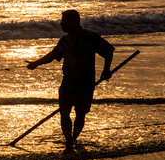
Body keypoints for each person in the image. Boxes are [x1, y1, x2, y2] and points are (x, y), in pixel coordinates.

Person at [27, 10, 114, 147]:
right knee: (64, 113)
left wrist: (106, 70)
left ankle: (73, 140)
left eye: (63, 21)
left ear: (73, 22)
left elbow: (108, 51)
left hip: (85, 84)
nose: (61, 24)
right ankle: (69, 140)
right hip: (67, 84)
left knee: (80, 113)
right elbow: (52, 56)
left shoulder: (90, 37)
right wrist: (35, 64)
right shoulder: (64, 41)